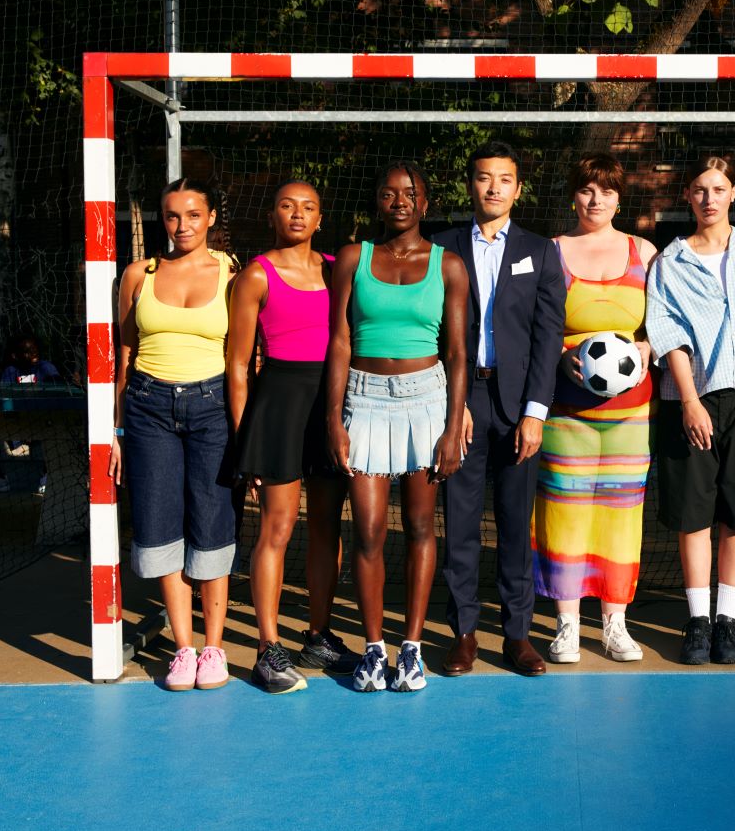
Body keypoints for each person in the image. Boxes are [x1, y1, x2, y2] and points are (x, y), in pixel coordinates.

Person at [326, 161, 469, 693]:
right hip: (363, 400)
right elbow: (338, 343)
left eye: (410, 193)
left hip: (426, 401)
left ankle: (410, 648)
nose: (399, 201)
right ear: (377, 203)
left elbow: (456, 353)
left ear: (426, 203)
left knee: (419, 528)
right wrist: (333, 418)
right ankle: (372, 649)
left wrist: (453, 426)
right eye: (388, 193)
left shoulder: (449, 265)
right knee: (365, 532)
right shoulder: (351, 258)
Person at [432, 141, 566, 677]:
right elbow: (434, 332)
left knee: (515, 526)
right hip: (462, 404)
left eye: (504, 179)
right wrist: (452, 403)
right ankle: (463, 633)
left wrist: (535, 412)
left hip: (517, 409)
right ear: (470, 184)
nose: (494, 188)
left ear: (517, 187)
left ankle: (517, 635)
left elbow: (547, 334)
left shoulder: (540, 249)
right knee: (459, 525)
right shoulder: (440, 247)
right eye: (484, 178)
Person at [645, 156, 735, 665]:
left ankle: (728, 621)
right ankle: (698, 620)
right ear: (687, 196)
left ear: (733, 194)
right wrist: (692, 401)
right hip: (691, 400)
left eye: (718, 189)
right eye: (699, 189)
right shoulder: (670, 261)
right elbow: (667, 334)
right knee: (693, 513)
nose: (708, 198)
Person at [108, 178, 239, 692]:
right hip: (147, 409)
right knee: (160, 524)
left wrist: (243, 429)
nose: (181, 225)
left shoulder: (234, 272)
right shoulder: (138, 274)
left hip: (213, 409)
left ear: (210, 218)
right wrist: (116, 427)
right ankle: (183, 649)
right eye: (171, 215)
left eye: (192, 214)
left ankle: (214, 647)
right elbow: (124, 354)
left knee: (212, 521)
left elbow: (245, 358)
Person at [227, 180, 353, 695]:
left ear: (320, 218)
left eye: (308, 208)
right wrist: (244, 442)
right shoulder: (255, 275)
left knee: (327, 526)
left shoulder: (334, 268)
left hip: (329, 405)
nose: (297, 214)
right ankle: (267, 648)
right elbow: (237, 365)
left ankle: (318, 636)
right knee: (276, 528)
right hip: (278, 406)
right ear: (273, 214)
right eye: (286, 205)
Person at [531, 153, 657, 664]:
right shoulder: (553, 251)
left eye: (605, 191)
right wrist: (563, 360)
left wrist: (647, 345)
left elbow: (663, 320)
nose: (595, 200)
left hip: (631, 415)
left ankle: (615, 623)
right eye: (586, 190)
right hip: (568, 414)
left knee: (621, 516)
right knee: (566, 513)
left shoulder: (643, 251)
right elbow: (540, 329)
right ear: (573, 197)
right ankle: (565, 625)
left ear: (619, 198)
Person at [0, 334, 62, 496]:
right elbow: (4, 398)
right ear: (15, 355)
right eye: (27, 351)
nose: (33, 353)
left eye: (35, 349)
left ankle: (47, 476)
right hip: (17, 421)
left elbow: (57, 388)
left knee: (56, 431)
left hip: (41, 421)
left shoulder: (45, 368)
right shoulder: (11, 371)